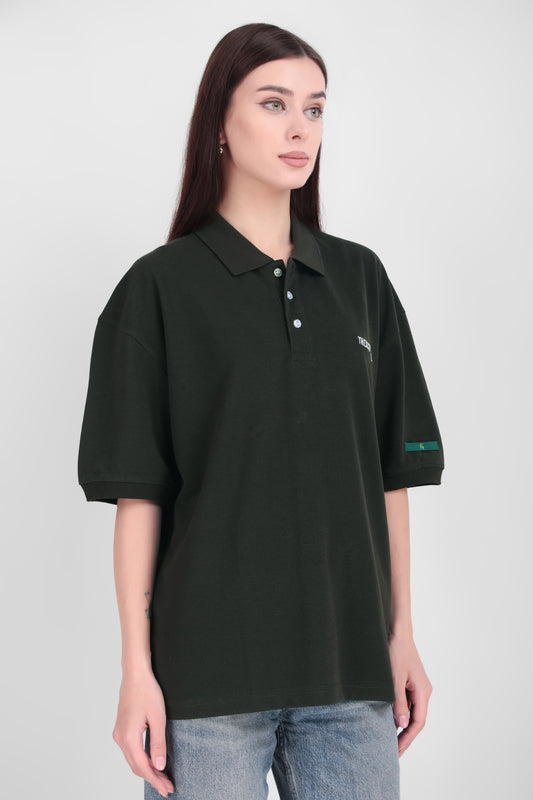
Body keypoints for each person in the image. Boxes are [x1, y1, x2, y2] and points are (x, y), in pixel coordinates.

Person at [77, 22, 445, 800]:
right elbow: (140, 496)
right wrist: (136, 671)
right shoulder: (158, 289)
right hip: (205, 685)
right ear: (220, 120)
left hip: (350, 677)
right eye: (273, 103)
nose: (298, 128)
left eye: (314, 108)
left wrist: (401, 635)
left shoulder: (360, 280)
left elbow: (389, 477)